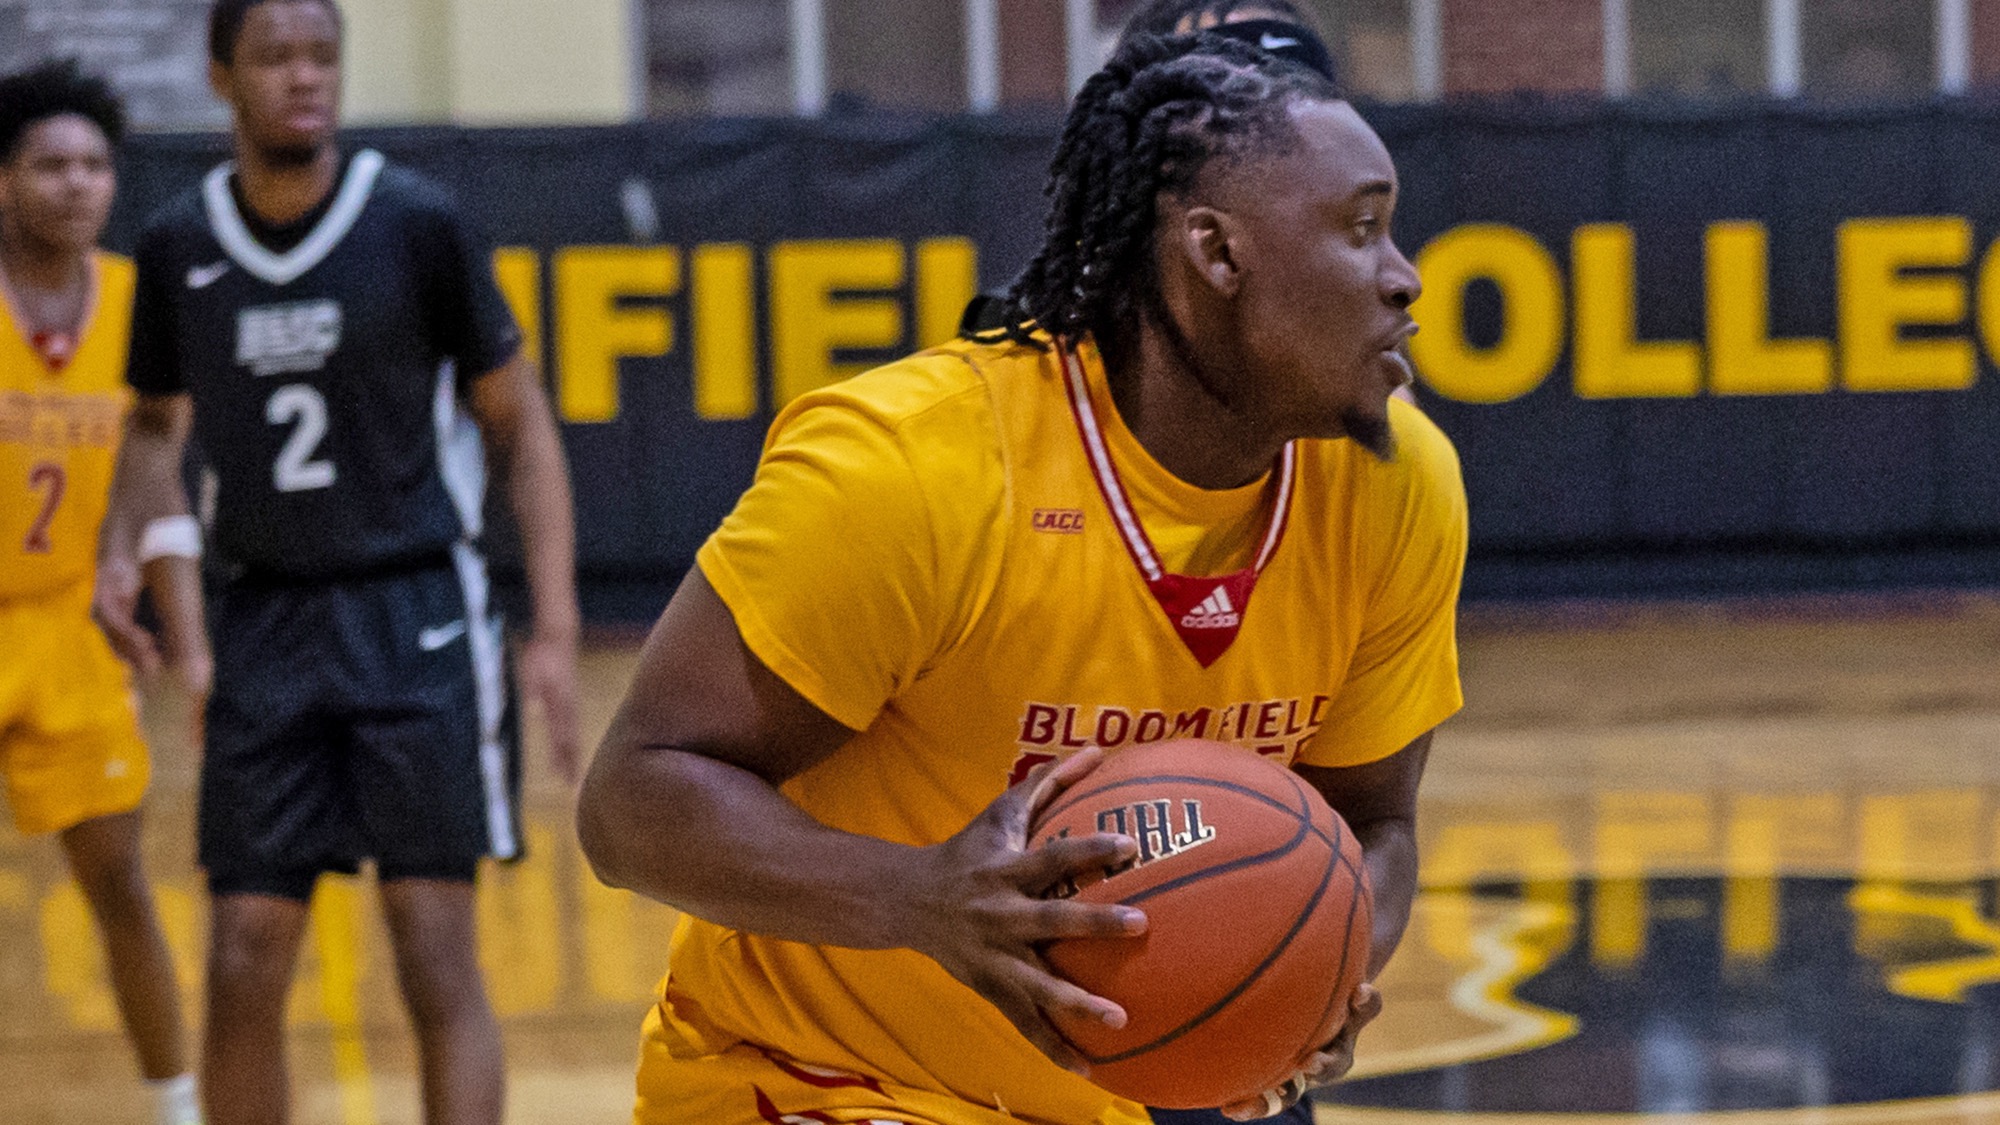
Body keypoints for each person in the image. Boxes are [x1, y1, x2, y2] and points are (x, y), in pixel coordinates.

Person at [579, 28, 1464, 1125]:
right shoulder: (914, 471)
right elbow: (630, 800)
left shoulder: (1396, 484)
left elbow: (1373, 823)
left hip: (1107, 1098)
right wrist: (922, 901)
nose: (1402, 275)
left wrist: (1312, 976)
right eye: (1361, 229)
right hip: (819, 1079)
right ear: (1215, 254)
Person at [93, 2, 583, 1123]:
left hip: (413, 615)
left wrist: (553, 628)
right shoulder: (178, 244)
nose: (304, 79)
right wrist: (130, 557)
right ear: (222, 77)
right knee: (243, 956)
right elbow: (155, 431)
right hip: (264, 622)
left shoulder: (418, 224)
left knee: (430, 946)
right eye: (275, 58)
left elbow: (522, 429)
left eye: (322, 57)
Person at [0, 58, 206, 1125]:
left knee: (120, 881)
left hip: (68, 621)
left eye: (93, 165)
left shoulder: (135, 303)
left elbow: (154, 458)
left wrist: (136, 566)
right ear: (3, 180)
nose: (76, 184)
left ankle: (176, 1106)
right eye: (49, 165)